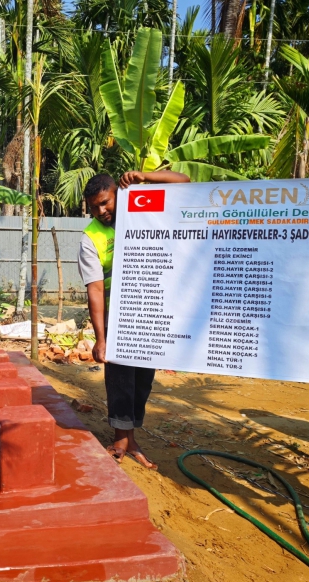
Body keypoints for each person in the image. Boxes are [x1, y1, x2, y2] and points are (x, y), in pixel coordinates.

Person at [79, 170, 190, 468]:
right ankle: (122, 439)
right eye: (94, 207)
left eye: (105, 202)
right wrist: (101, 338)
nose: (101, 211)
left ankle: (130, 437)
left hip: (150, 314)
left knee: (143, 381)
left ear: (118, 194)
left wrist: (145, 177)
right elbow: (95, 289)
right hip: (118, 320)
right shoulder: (91, 237)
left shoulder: (145, 212)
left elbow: (184, 183)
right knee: (120, 381)